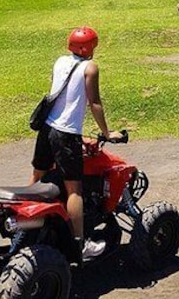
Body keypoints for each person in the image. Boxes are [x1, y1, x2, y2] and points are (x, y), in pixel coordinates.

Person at [30, 26, 122, 261]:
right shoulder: (90, 68)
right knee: (75, 191)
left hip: (46, 129)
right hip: (66, 134)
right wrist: (107, 132)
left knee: (37, 178)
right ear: (90, 47)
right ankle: (80, 244)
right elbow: (95, 102)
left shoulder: (60, 61)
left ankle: (30, 226)